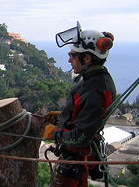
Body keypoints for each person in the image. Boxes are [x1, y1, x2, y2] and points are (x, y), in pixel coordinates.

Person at [43, 22, 117, 187]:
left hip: (75, 162)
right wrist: (63, 117)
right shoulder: (95, 80)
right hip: (77, 161)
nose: (69, 60)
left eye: (73, 55)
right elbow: (84, 116)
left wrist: (54, 134)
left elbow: (81, 136)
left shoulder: (95, 90)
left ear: (87, 58)